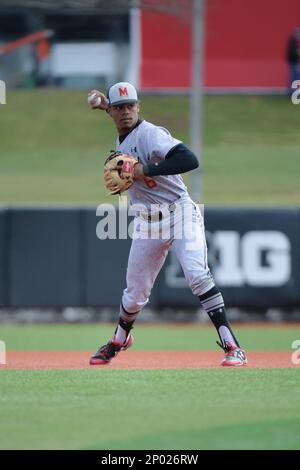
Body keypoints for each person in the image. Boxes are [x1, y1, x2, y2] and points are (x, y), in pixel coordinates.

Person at [88, 82, 247, 367]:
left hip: (180, 214)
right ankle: (118, 340)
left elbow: (190, 159)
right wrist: (103, 105)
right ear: (111, 111)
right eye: (118, 108)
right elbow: (123, 125)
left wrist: (143, 170)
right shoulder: (123, 133)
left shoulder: (151, 134)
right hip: (147, 223)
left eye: (130, 106)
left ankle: (233, 346)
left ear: (138, 107)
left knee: (198, 276)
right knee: (134, 295)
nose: (125, 112)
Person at [286, 28, 300, 94]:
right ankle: (292, 92)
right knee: (293, 77)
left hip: (294, 62)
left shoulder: (294, 41)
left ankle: (292, 92)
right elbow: (293, 52)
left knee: (294, 77)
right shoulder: (293, 41)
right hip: (294, 62)